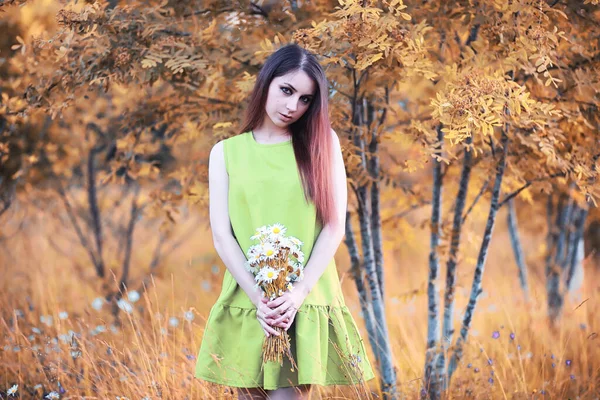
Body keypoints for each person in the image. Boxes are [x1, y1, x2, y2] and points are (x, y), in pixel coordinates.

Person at [195, 43, 375, 400]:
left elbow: (334, 225)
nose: (293, 107)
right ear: (267, 82)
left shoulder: (322, 144)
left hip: (303, 298)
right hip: (250, 297)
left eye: (306, 99)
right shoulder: (226, 152)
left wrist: (295, 296)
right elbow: (222, 235)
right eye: (286, 90)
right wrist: (261, 301)